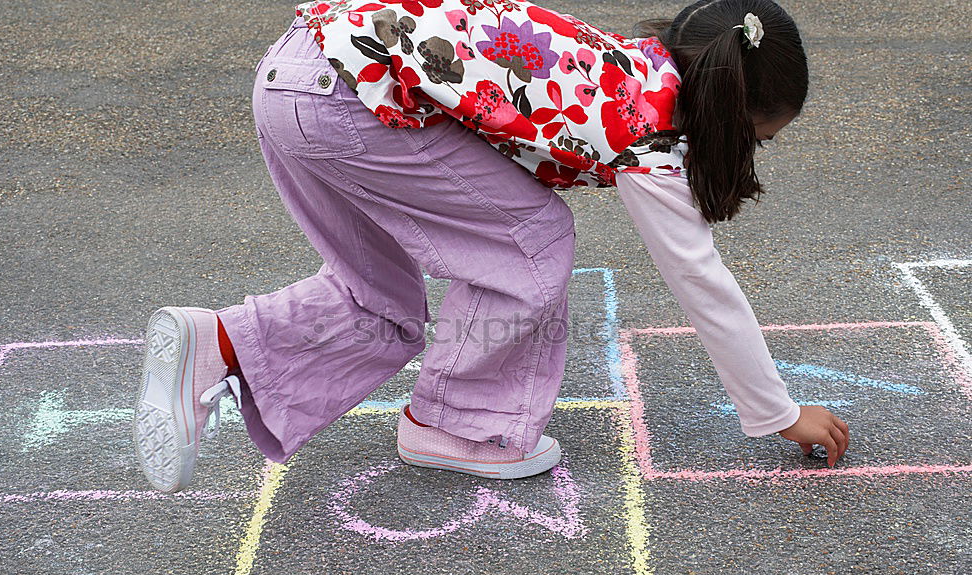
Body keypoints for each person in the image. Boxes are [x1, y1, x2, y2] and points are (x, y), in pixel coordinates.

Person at [132, 0, 850, 493]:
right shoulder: (648, 133)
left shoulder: (629, 66)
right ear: (728, 110)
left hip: (297, 74)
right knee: (532, 238)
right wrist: (778, 411)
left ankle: (218, 342)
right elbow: (701, 280)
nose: (755, 154)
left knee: (379, 298)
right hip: (348, 100)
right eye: (759, 139)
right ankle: (458, 426)